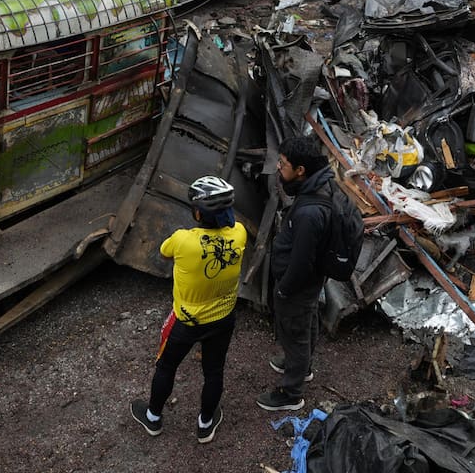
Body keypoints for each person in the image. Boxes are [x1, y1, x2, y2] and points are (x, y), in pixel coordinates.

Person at [130, 176, 247, 443]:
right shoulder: (239, 234)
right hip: (223, 318)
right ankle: (205, 424)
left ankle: (153, 419)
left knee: (166, 367)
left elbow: (163, 253)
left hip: (187, 321)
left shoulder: (183, 240)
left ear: (197, 212)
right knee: (214, 371)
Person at [257, 135, 340, 412]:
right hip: (311, 281)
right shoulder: (320, 185)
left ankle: (291, 393)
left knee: (295, 330)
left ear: (301, 170)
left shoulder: (310, 212)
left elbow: (302, 261)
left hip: (298, 284)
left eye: (283, 164)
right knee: (308, 320)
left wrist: (284, 288)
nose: (279, 169)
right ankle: (303, 366)